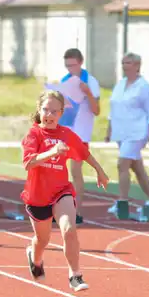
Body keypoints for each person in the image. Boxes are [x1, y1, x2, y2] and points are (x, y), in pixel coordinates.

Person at [21, 90, 109, 292]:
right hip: (38, 196)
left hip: (61, 191)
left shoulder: (66, 134)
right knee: (42, 240)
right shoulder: (34, 134)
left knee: (69, 229)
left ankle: (75, 275)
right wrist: (52, 152)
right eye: (45, 110)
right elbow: (28, 163)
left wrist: (100, 171)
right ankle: (34, 257)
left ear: (61, 113)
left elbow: (84, 153)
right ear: (39, 110)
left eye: (54, 111)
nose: (49, 115)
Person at [105, 52, 149, 216]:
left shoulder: (144, 87)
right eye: (123, 63)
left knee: (122, 164)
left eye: (128, 63)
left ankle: (122, 201)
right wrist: (109, 130)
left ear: (137, 65)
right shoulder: (120, 85)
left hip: (137, 132)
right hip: (121, 131)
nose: (125, 66)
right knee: (137, 168)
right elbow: (113, 109)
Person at [58, 48, 100, 224]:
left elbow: (96, 111)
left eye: (73, 65)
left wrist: (88, 93)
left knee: (75, 171)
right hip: (64, 130)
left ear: (81, 62)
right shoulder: (65, 81)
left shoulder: (90, 81)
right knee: (59, 171)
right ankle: (60, 210)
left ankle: (76, 211)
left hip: (80, 133)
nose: (70, 69)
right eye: (67, 66)